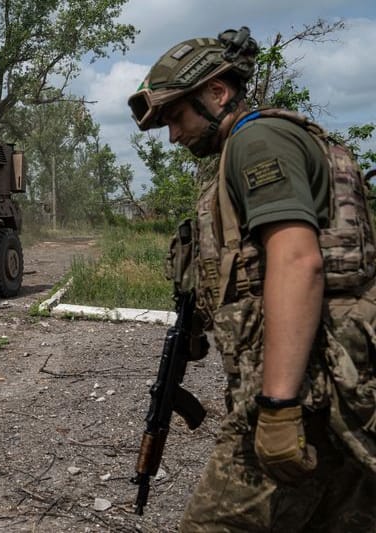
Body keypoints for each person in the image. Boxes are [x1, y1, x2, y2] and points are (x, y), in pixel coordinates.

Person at [127, 27, 376, 531]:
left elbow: (296, 260)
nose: (173, 135)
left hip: (306, 388)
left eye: (176, 116)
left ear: (217, 92)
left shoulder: (255, 140)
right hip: (339, 384)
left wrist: (279, 405)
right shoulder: (262, 143)